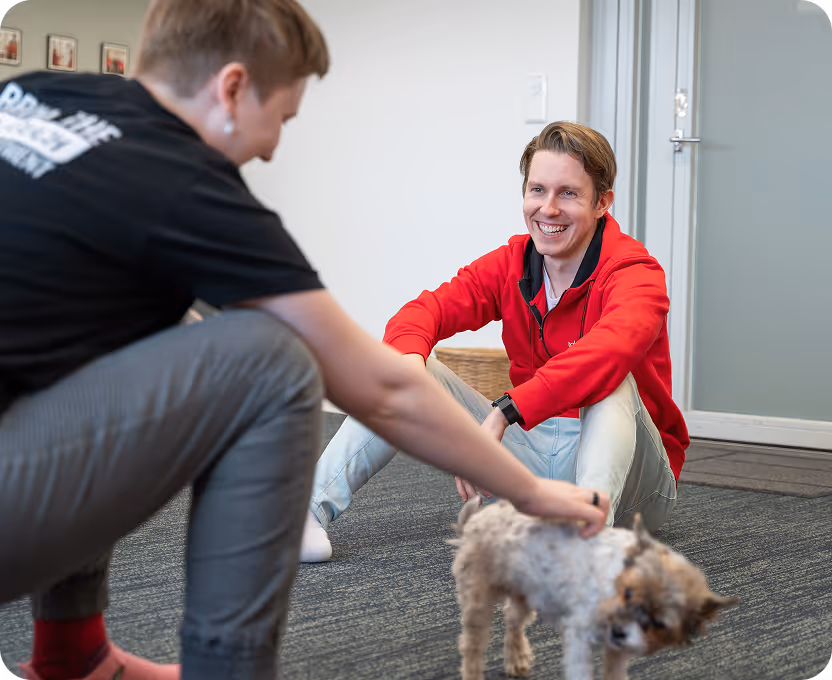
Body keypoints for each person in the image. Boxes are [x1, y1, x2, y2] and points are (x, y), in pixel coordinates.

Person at [0, 2, 610, 679]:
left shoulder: (33, 97)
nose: (271, 148)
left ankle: (73, 656)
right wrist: (531, 493)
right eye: (281, 120)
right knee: (273, 358)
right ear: (231, 88)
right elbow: (379, 387)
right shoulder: (180, 179)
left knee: (148, 326)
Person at [302, 120, 690, 563]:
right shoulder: (512, 262)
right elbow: (423, 311)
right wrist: (408, 367)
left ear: (602, 202)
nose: (548, 208)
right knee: (409, 367)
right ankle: (307, 512)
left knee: (612, 379)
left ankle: (586, 541)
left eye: (568, 193)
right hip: (531, 460)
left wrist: (506, 410)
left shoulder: (636, 273)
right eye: (537, 190)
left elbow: (610, 351)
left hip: (635, 486)